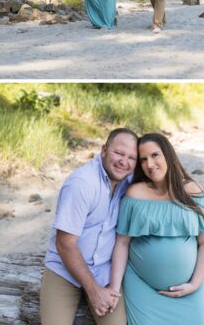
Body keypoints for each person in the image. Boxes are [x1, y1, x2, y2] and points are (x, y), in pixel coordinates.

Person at [109, 133, 204, 324]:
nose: (150, 164)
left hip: (190, 291)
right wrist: (115, 289)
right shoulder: (135, 194)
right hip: (143, 289)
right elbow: (122, 243)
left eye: (155, 155)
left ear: (168, 154)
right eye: (143, 159)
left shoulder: (193, 192)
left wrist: (195, 283)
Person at [40, 128, 138, 324]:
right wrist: (94, 291)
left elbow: (163, 177)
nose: (123, 161)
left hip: (104, 271)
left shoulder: (128, 181)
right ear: (104, 150)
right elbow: (65, 243)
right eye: (118, 153)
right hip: (65, 268)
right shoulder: (82, 183)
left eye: (131, 157)